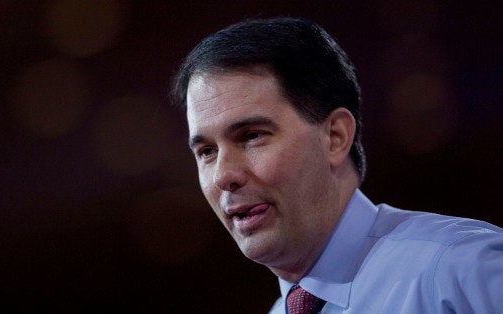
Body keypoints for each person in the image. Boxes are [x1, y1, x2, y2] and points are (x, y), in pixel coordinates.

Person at [170, 17, 503, 313]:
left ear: (335, 137)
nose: (224, 176)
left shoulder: (461, 269)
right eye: (207, 151)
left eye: (252, 135)